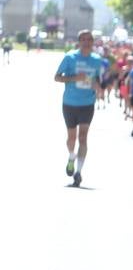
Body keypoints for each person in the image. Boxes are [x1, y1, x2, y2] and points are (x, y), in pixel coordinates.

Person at [53, 30, 110, 187]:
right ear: (79, 42)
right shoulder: (70, 57)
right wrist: (74, 78)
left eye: (89, 39)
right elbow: (57, 77)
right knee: (72, 138)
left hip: (87, 103)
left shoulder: (97, 60)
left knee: (83, 137)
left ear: (93, 42)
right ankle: (71, 157)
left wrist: (98, 87)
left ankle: (78, 172)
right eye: (83, 39)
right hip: (70, 103)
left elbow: (98, 80)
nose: (86, 42)